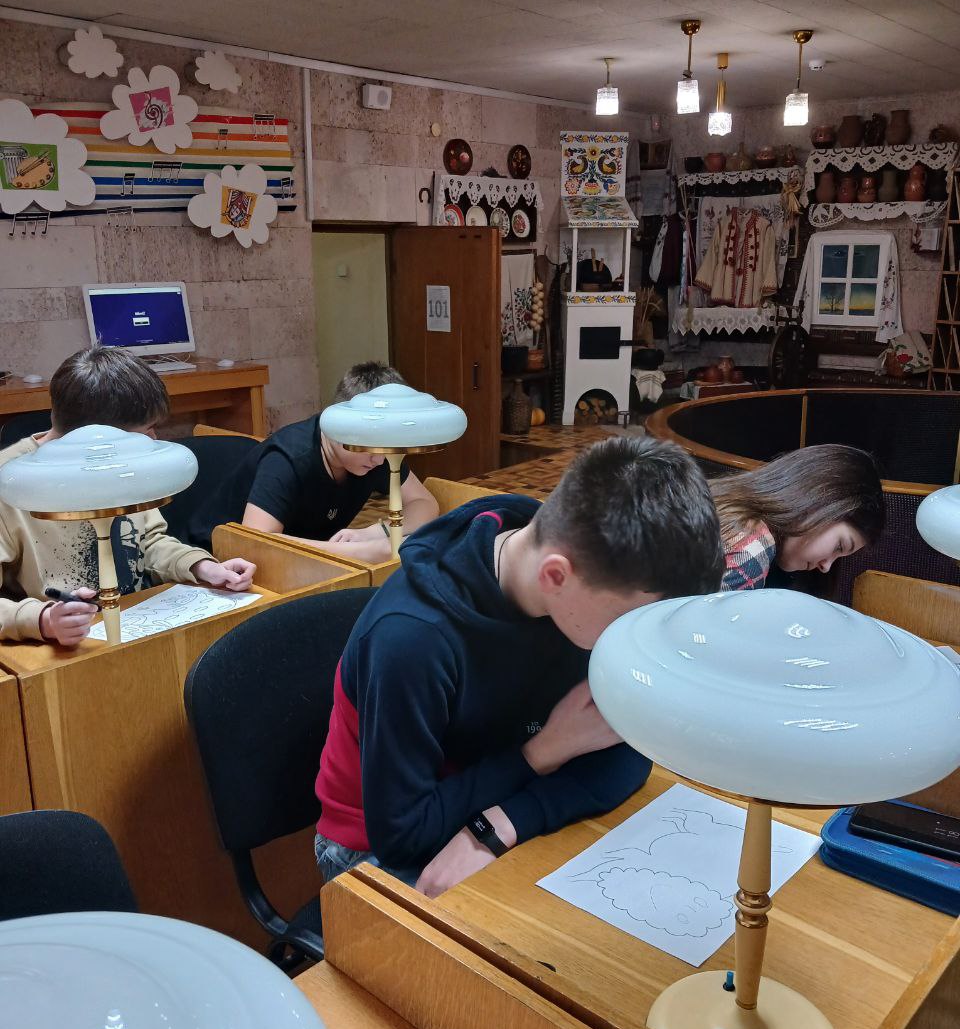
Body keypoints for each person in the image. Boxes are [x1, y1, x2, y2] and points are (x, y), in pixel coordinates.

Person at [314, 435, 724, 900]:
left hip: (493, 802)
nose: (637, 641)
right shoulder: (411, 640)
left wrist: (501, 824)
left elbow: (626, 755)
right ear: (555, 576)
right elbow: (402, 835)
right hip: (371, 846)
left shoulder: (583, 582)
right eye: (630, 620)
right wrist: (548, 749)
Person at [0, 347, 256, 647]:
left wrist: (201, 567)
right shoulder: (12, 482)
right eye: (146, 432)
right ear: (96, 438)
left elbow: (148, 543)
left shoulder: (122, 468)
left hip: (137, 626)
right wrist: (41, 619)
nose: (154, 440)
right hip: (59, 651)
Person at [187, 361, 439, 563]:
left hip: (297, 562)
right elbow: (257, 544)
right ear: (339, 425)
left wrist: (375, 533)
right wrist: (365, 551)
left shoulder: (375, 448)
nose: (380, 459)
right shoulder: (288, 459)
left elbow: (424, 503)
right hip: (213, 564)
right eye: (371, 447)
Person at [712, 444, 884, 591]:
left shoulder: (723, 501)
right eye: (839, 546)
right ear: (819, 501)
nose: (826, 567)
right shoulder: (753, 549)